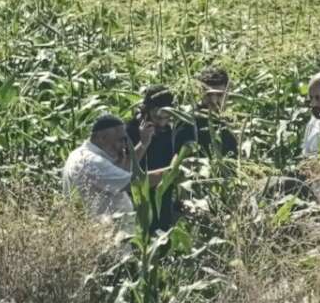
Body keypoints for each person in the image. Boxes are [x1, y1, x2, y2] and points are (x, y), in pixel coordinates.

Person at [61, 114, 164, 229]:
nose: (124, 145)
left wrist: (143, 143)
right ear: (102, 138)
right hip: (102, 234)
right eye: (120, 140)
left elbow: (122, 171)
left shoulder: (83, 154)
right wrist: (174, 170)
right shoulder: (90, 161)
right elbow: (135, 182)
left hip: (103, 232)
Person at [126, 85, 183, 230]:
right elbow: (125, 170)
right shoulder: (130, 131)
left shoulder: (170, 132)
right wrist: (143, 142)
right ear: (147, 111)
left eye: (167, 117)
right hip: (139, 204)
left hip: (164, 203)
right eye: (157, 117)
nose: (162, 122)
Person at [175, 65, 239, 160]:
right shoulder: (188, 123)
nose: (213, 100)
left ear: (227, 94)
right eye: (208, 94)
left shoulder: (231, 123)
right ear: (199, 92)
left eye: (219, 95)